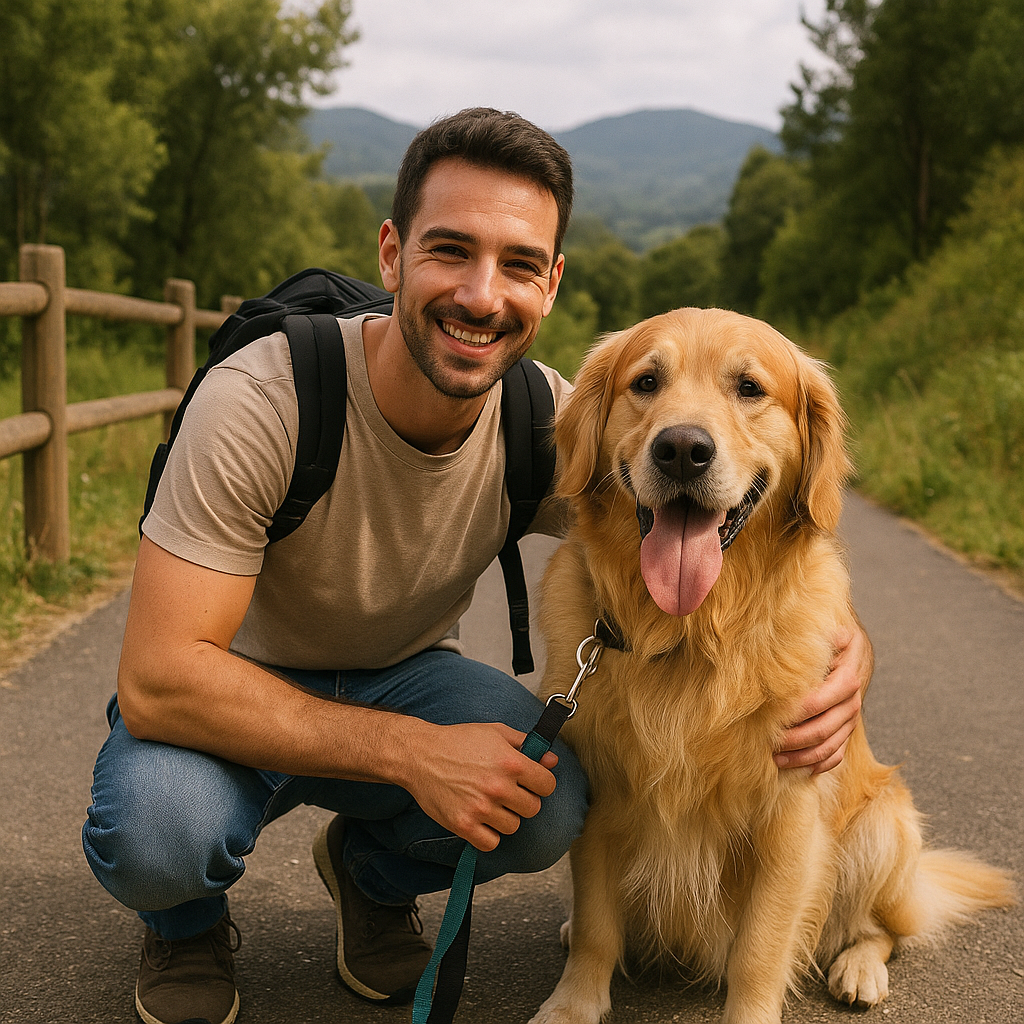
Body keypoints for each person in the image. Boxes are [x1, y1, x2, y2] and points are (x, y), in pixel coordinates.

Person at [82, 107, 870, 1024]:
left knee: (548, 798)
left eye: (520, 265)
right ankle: (184, 924)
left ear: (552, 283)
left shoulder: (560, 420)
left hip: (402, 677)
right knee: (158, 830)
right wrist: (417, 755)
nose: (483, 294)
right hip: (231, 685)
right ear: (392, 255)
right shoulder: (263, 400)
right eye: (451, 251)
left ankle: (370, 877)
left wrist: (849, 655)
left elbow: (766, 551)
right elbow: (160, 679)